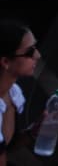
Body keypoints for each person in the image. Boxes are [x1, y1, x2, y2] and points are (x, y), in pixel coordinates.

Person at [0, 19, 39, 159]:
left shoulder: (12, 93)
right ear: (6, 62)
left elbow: (7, 147)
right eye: (30, 52)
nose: (37, 55)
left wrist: (37, 129)